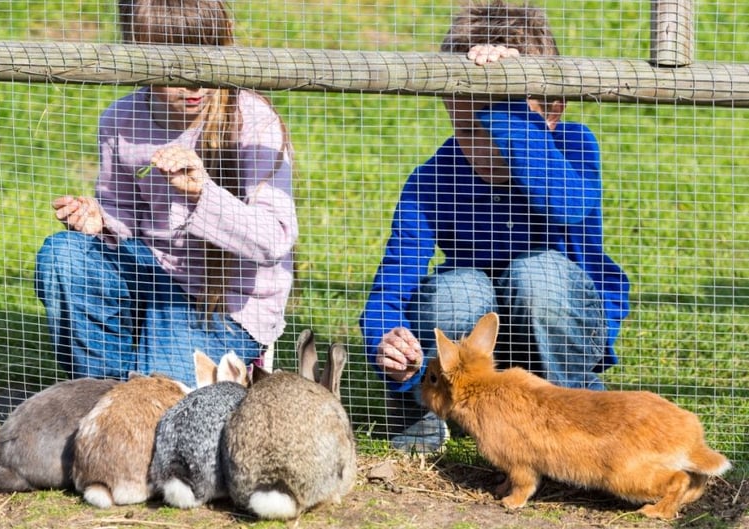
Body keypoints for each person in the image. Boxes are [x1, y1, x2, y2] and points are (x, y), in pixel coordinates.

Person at [360, 1, 630, 454]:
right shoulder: (432, 179)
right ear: (448, 102)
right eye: (472, 127)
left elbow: (569, 205)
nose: (487, 150)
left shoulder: (573, 145)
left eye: (501, 126)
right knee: (459, 291)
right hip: (477, 356)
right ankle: (434, 410)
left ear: (553, 110)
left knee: (535, 277)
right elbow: (387, 294)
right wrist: (386, 339)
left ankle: (570, 414)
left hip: (559, 333)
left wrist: (504, 106)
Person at [35, 0, 297, 387]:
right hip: (151, 277)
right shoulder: (121, 119)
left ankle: (133, 385)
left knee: (163, 401)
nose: (194, 84)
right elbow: (123, 217)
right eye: (174, 68)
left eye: (206, 61)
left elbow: (275, 239)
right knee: (64, 256)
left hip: (222, 306)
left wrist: (202, 195)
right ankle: (100, 394)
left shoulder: (254, 121)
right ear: (141, 58)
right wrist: (100, 221)